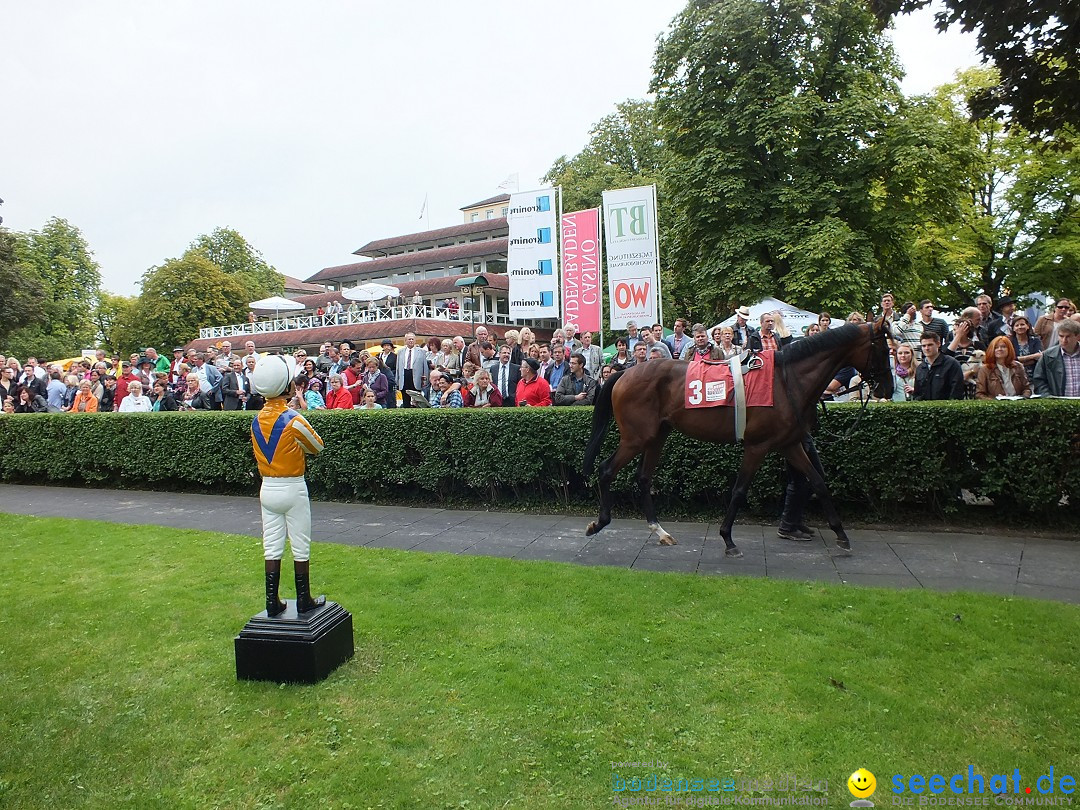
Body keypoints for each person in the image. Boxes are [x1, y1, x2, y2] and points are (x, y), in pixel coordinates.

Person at [250, 354, 326, 616]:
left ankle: (272, 601)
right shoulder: (294, 419)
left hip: (267, 488)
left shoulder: (256, 420)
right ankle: (303, 598)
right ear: (286, 387)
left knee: (271, 545)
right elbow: (317, 447)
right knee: (300, 543)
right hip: (292, 486)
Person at [777, 435, 823, 541]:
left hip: (802, 435)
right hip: (794, 438)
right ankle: (787, 526)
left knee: (818, 477)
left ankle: (794, 520)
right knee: (798, 480)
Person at [1032, 318, 1080, 396]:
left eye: (1068, 336)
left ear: (1077, 336)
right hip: (1059, 403)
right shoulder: (1048, 355)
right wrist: (1050, 398)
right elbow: (1039, 380)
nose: (1064, 340)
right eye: (1061, 336)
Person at [914, 332, 965, 400]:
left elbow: (957, 391)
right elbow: (917, 393)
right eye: (924, 346)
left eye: (930, 345)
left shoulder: (952, 364)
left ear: (938, 344)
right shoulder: (920, 368)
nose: (926, 348)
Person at [396, 332, 427, 407]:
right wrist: (397, 380)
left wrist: (425, 380)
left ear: (415, 340)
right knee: (405, 400)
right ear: (405, 340)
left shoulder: (421, 352)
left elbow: (425, 367)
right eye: (409, 339)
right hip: (404, 376)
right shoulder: (400, 352)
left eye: (412, 339)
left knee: (417, 400)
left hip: (416, 377)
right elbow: (398, 367)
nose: (411, 341)